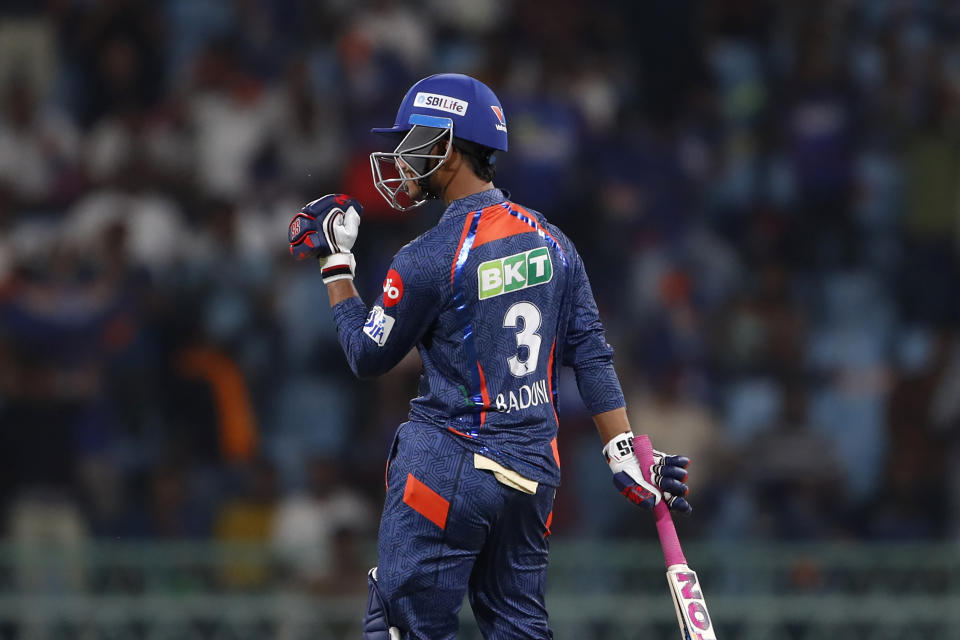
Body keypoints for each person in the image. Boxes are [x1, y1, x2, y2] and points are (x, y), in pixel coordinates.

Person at [287, 73, 693, 640]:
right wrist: (623, 450)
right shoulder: (554, 242)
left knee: (402, 627)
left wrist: (336, 265)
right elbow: (593, 356)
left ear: (449, 151)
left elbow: (366, 355)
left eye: (414, 143)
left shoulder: (427, 256)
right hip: (530, 479)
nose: (402, 158)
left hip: (448, 467)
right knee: (521, 631)